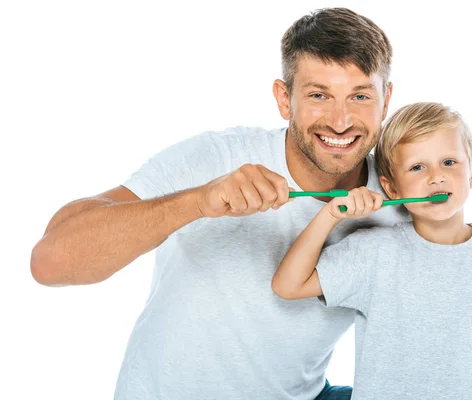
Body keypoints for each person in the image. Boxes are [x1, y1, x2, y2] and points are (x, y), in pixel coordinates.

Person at [30, 7, 409, 400]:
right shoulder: (215, 157)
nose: (340, 121)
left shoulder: (402, 199)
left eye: (360, 96)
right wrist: (198, 201)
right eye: (318, 95)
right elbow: (50, 263)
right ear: (284, 99)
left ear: (386, 101)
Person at [272, 102, 472, 400]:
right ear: (391, 189)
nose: (435, 176)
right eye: (417, 167)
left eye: (449, 162)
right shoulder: (374, 253)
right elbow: (288, 285)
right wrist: (330, 214)